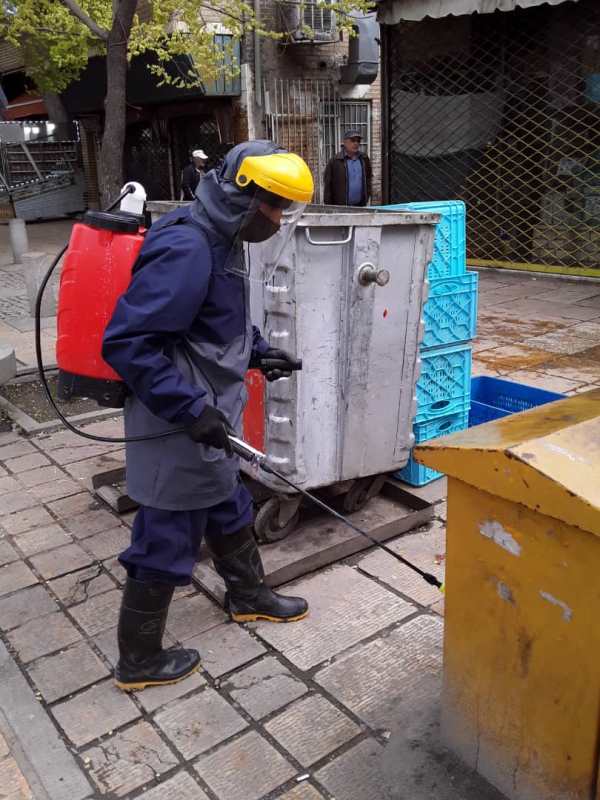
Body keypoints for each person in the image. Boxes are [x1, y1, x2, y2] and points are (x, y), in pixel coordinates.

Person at [102, 140, 314, 691]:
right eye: (274, 206)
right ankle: (139, 660)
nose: (279, 219)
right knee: (166, 531)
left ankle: (248, 595)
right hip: (177, 418)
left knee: (227, 502)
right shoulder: (187, 247)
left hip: (209, 413)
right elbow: (128, 343)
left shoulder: (225, 238)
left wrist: (258, 351)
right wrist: (190, 408)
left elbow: (214, 320)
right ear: (243, 195)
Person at [323, 129, 372, 207]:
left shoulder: (364, 159)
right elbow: (328, 185)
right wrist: (329, 207)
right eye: (353, 140)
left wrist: (367, 195)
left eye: (358, 141)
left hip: (360, 205)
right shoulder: (335, 161)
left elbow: (368, 178)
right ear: (345, 142)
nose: (356, 143)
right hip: (341, 207)